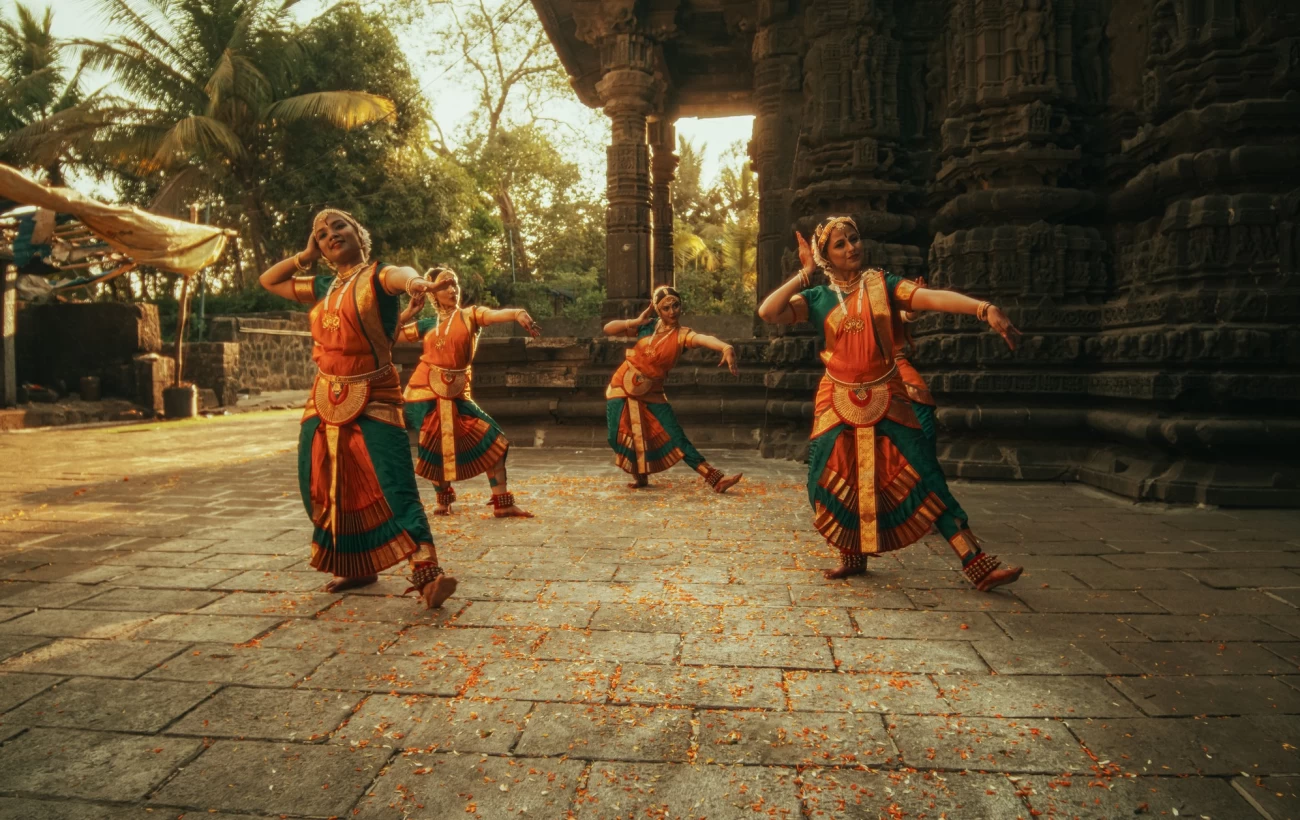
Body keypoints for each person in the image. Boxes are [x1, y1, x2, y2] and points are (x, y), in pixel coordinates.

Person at [757, 216, 1023, 590]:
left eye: (854, 239)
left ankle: (976, 562)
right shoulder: (817, 299)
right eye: (840, 244)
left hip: (888, 392)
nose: (852, 247)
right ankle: (852, 554)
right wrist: (805, 273)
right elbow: (768, 312)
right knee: (823, 480)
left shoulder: (882, 284)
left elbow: (931, 298)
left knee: (926, 475)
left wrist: (983, 309)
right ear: (825, 257)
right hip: (835, 397)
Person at [258, 208, 455, 609]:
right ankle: (357, 564)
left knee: (393, 478)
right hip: (323, 395)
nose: (331, 234)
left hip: (375, 392)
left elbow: (401, 274)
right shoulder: (323, 284)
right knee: (318, 480)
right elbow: (269, 280)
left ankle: (426, 571)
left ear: (359, 236)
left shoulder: (378, 275)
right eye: (322, 233)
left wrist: (418, 281)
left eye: (339, 226)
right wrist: (305, 255)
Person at [398, 266, 539, 517]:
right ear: (433, 294)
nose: (452, 289)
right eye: (444, 286)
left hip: (457, 392)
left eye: (454, 284)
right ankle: (443, 501)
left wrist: (517, 313)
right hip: (423, 392)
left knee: (496, 439)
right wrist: (408, 312)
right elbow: (388, 336)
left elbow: (493, 315)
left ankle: (502, 502)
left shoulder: (469, 316)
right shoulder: (427, 324)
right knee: (432, 447)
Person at [603, 285, 744, 493]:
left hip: (652, 392)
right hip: (621, 385)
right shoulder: (646, 327)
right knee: (615, 436)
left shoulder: (681, 335)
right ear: (658, 311)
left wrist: (725, 347)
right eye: (666, 308)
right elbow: (608, 329)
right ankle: (640, 476)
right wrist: (634, 322)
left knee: (676, 436)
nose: (672, 311)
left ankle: (716, 479)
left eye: (675, 305)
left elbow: (703, 339)